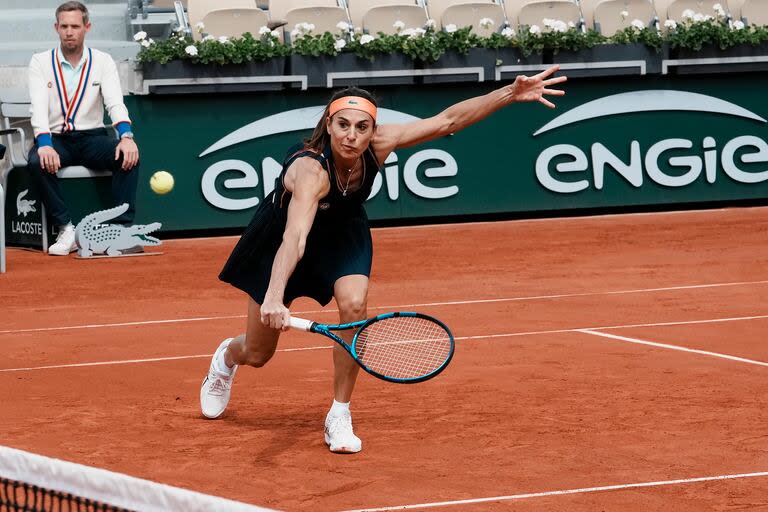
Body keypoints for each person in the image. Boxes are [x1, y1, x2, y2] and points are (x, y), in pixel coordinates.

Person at [201, 67, 567, 453]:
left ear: (372, 129)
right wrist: (275, 295)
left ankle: (339, 414)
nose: (351, 136)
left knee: (355, 305)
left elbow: (447, 120)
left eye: (362, 127)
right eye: (343, 125)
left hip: (344, 234)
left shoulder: (379, 144)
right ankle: (226, 359)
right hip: (282, 238)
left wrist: (510, 92)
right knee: (258, 353)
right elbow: (295, 237)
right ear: (328, 123)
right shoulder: (310, 171)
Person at [27, 1, 140, 256]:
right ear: (56, 27)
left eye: (75, 26)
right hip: (56, 139)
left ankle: (121, 231)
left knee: (129, 154)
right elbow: (38, 109)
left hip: (92, 137)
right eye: (64, 26)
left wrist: (126, 136)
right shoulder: (40, 61)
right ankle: (66, 229)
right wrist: (44, 144)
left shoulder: (103, 60)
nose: (69, 31)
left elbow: (115, 103)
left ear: (87, 27)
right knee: (36, 161)